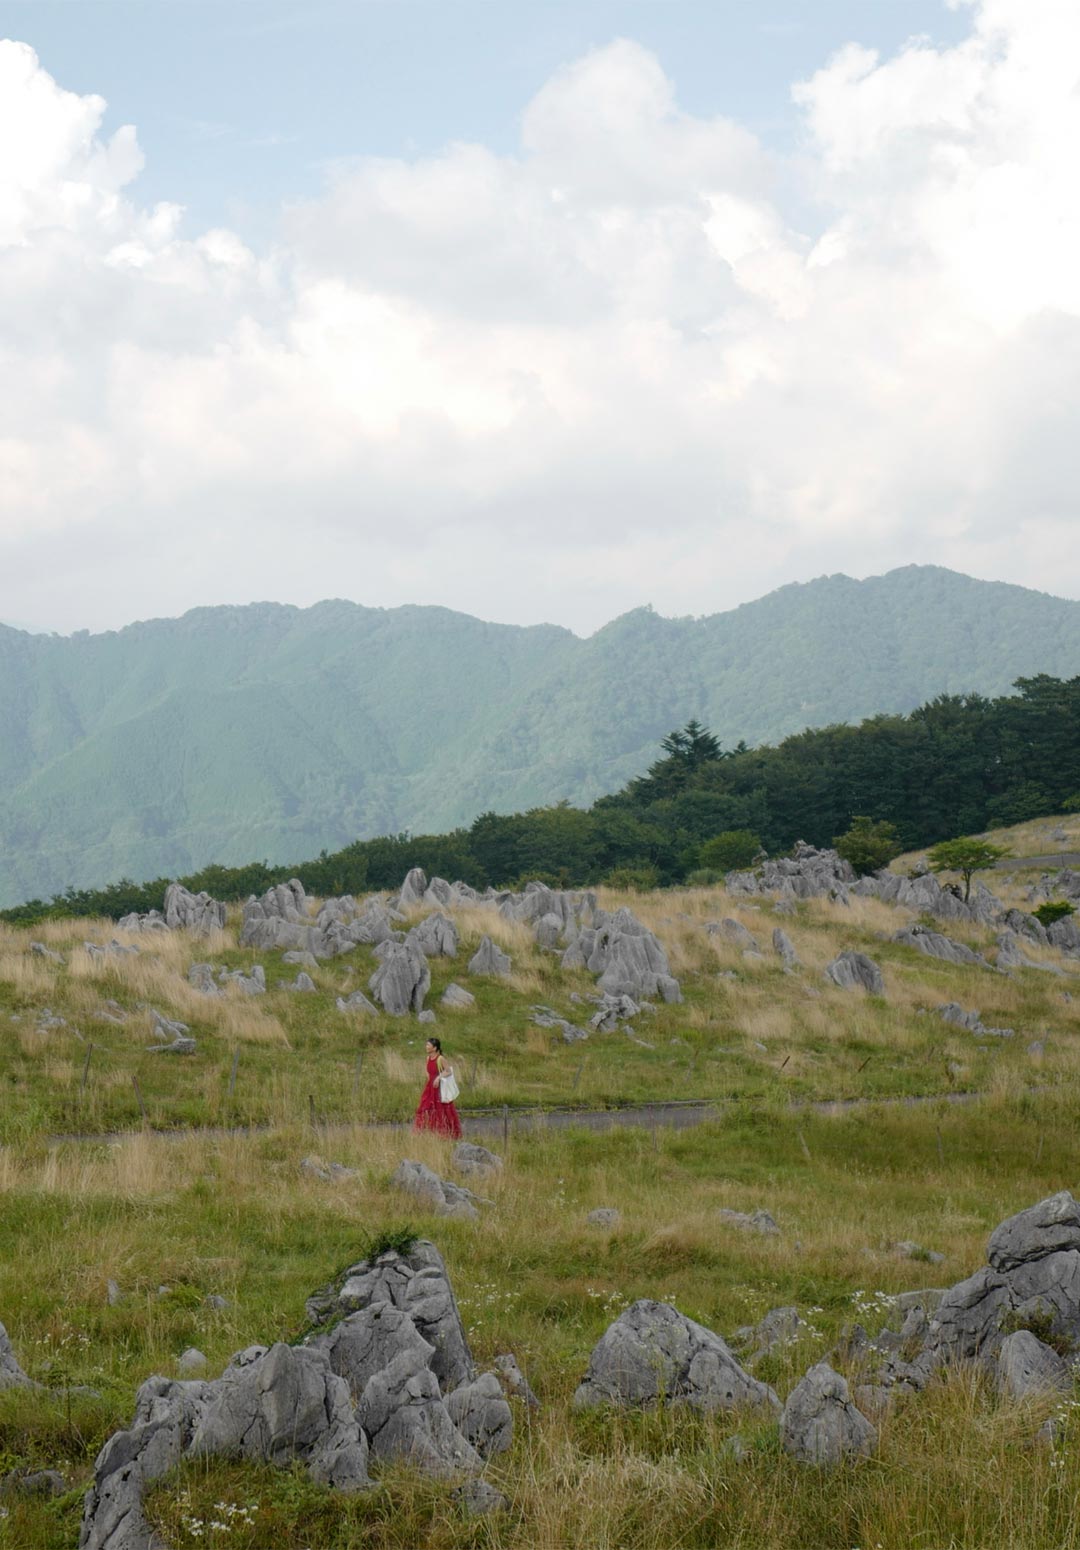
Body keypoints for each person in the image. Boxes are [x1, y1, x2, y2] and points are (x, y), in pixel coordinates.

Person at [413, 1036, 462, 1137]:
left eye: (428, 1045)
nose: (426, 1047)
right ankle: (427, 1131)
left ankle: (445, 1133)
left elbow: (448, 1071)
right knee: (425, 1108)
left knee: (441, 1110)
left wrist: (438, 1078)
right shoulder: (428, 1058)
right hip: (430, 1088)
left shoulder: (440, 1059)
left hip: (439, 1089)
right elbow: (428, 1072)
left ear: (434, 1048)